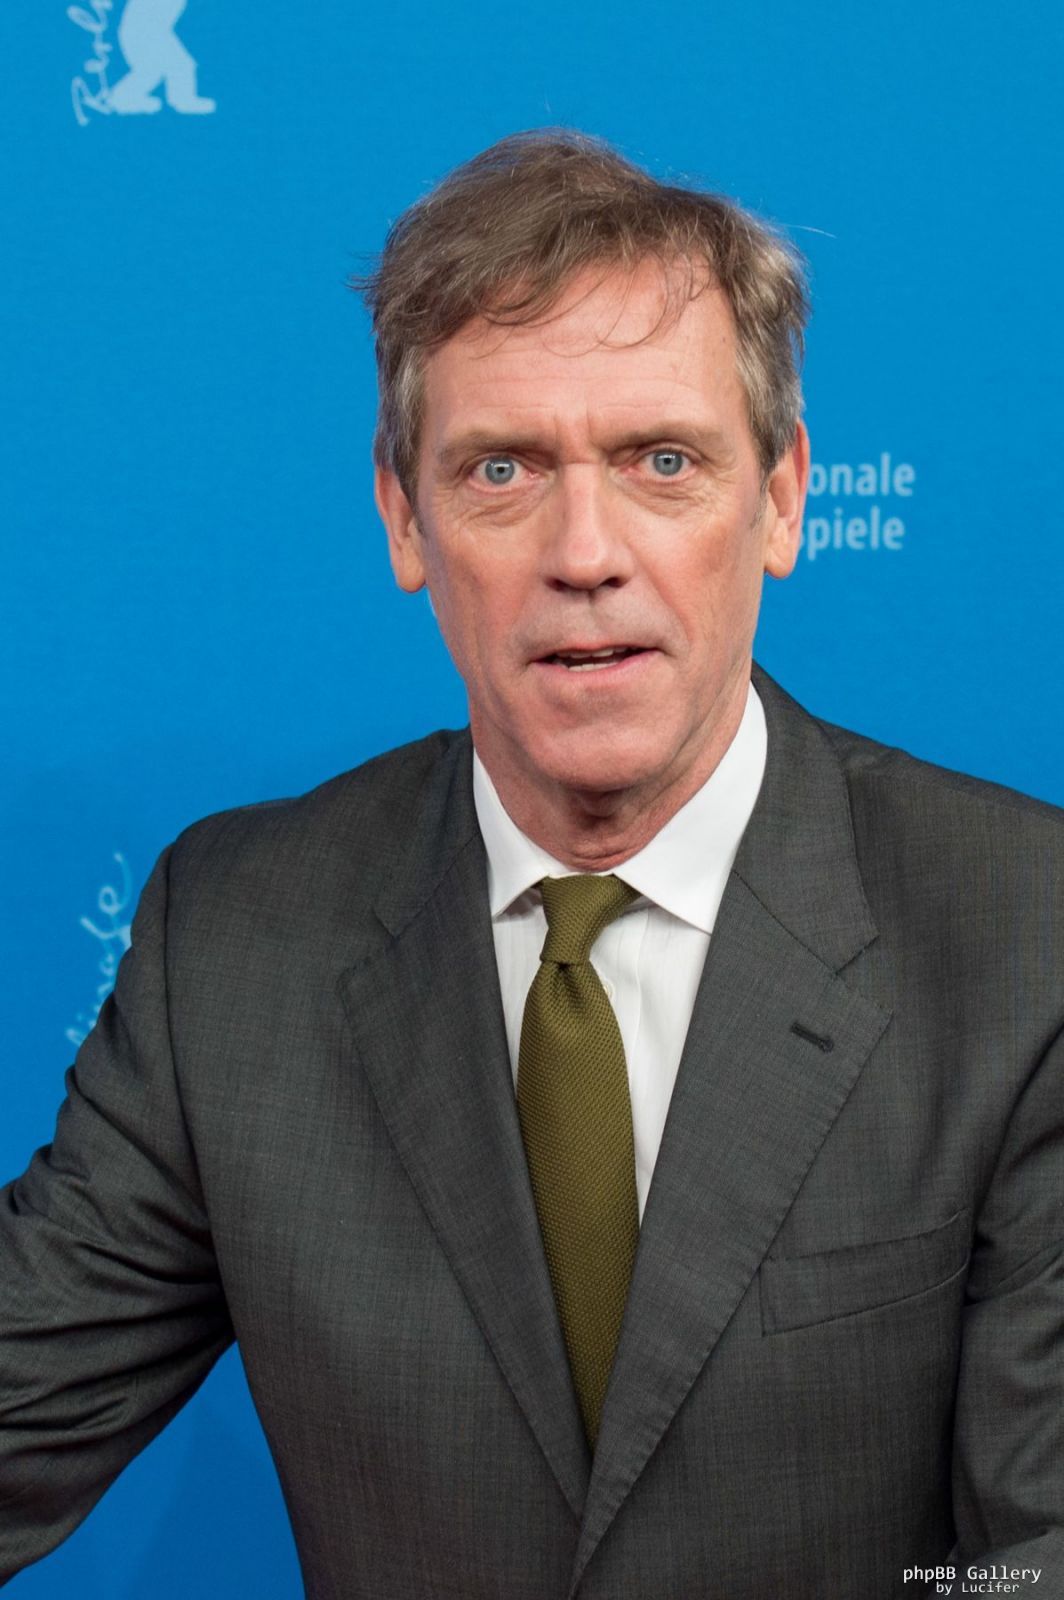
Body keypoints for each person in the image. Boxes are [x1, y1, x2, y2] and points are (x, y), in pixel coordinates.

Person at [1, 130, 1061, 1599]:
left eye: (662, 462)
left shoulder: (1023, 930)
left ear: (781, 499)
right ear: (405, 518)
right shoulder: (234, 944)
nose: (586, 552)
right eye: (502, 469)